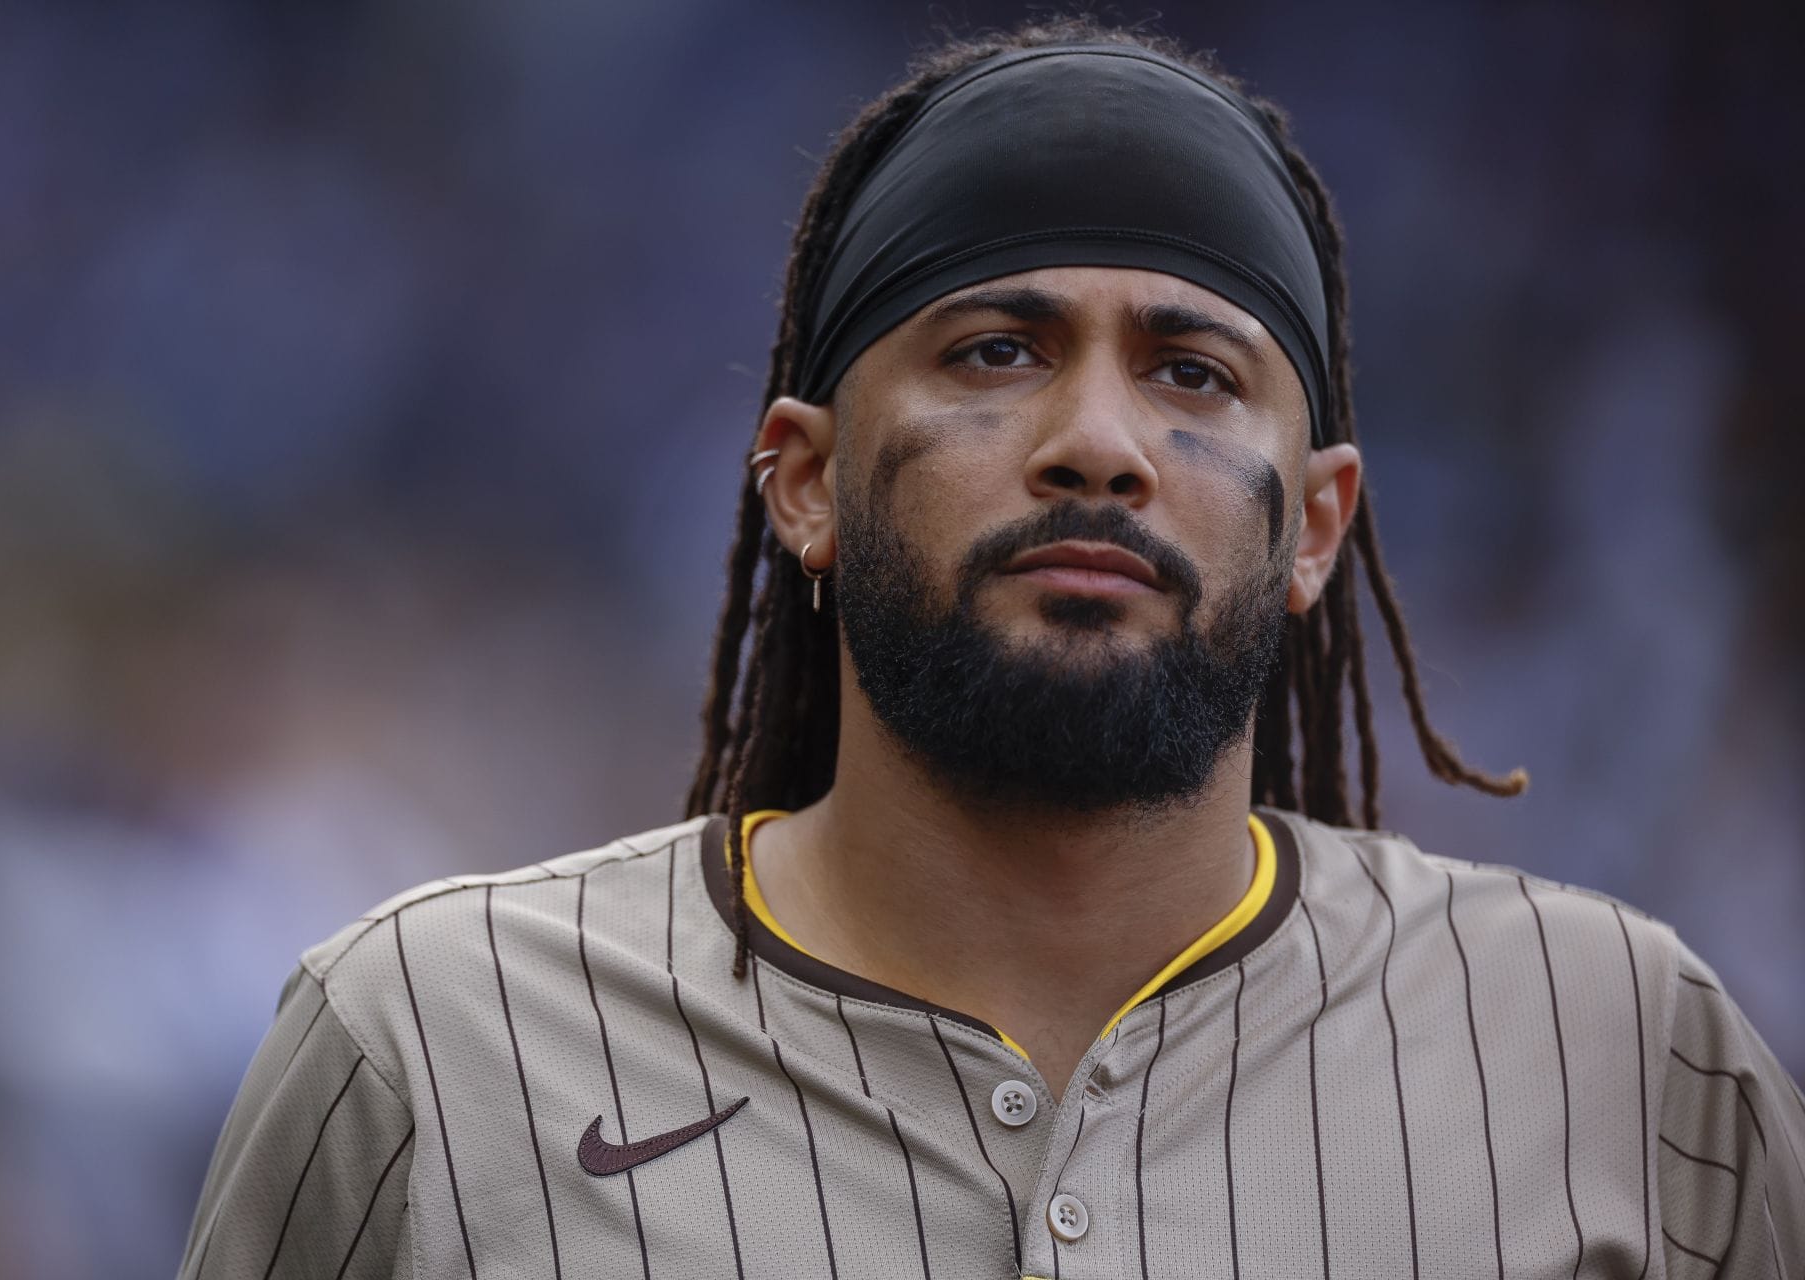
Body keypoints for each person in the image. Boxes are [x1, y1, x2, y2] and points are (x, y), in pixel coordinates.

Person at [177, 18, 1804, 1279]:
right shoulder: (430, 1040)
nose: (1098, 442)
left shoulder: (1612, 1045)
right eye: (997, 349)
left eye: (1194, 374)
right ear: (803, 481)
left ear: (1316, 527)